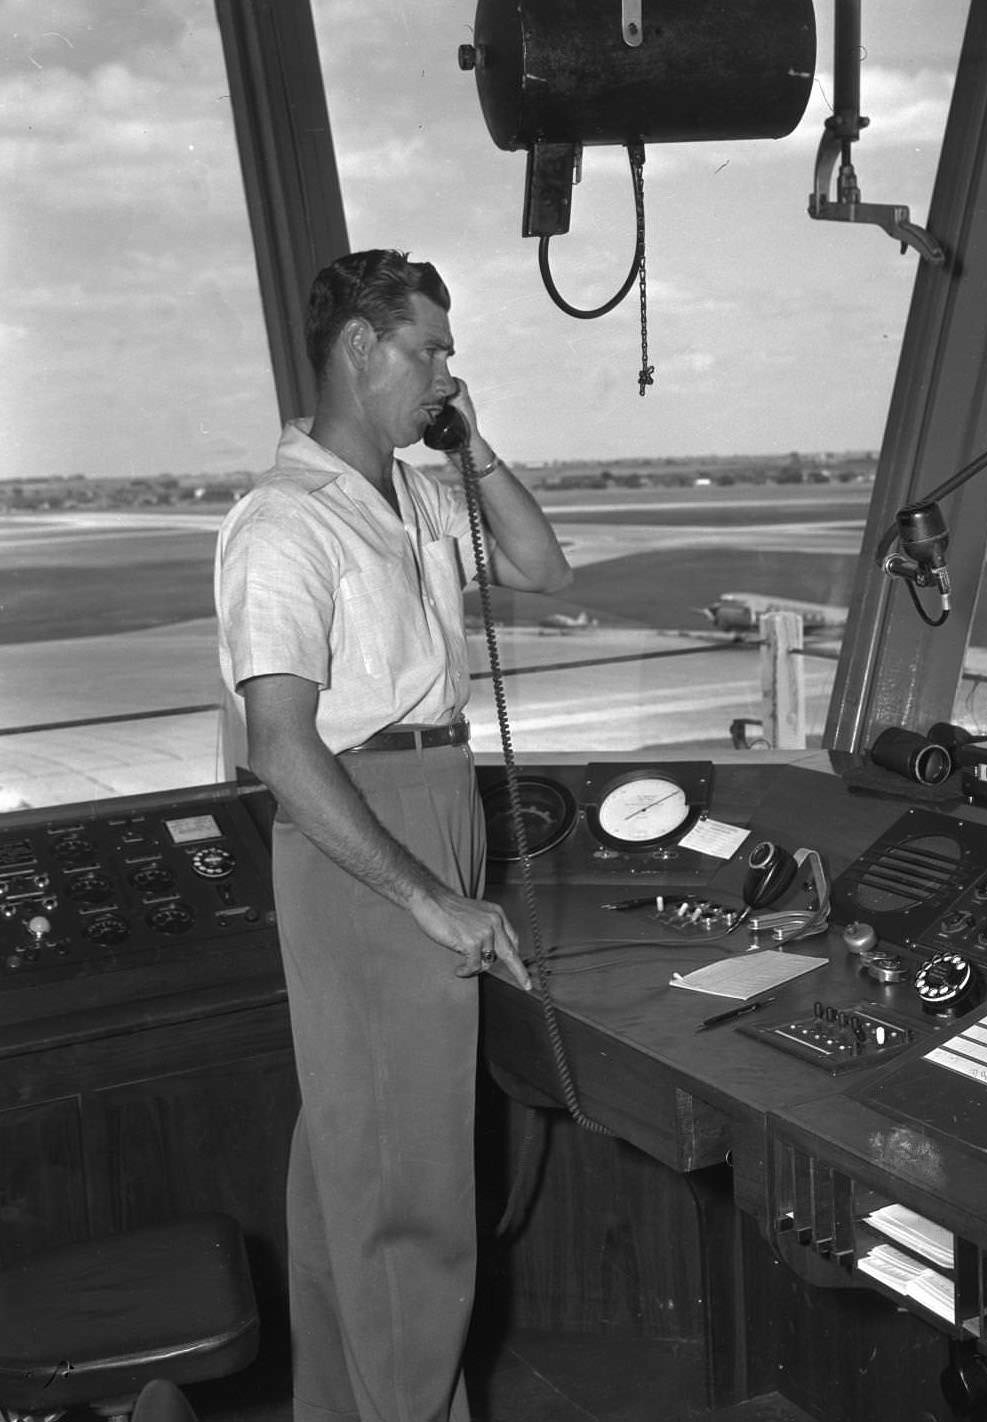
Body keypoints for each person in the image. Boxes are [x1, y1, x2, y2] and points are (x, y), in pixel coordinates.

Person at [213, 248, 573, 1422]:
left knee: (347, 1173)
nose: (443, 373)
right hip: (364, 829)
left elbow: (537, 563)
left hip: (439, 798)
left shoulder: (414, 496)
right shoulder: (282, 523)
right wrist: (426, 896)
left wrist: (466, 441)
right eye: (427, 350)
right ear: (358, 348)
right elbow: (279, 746)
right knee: (407, 1194)